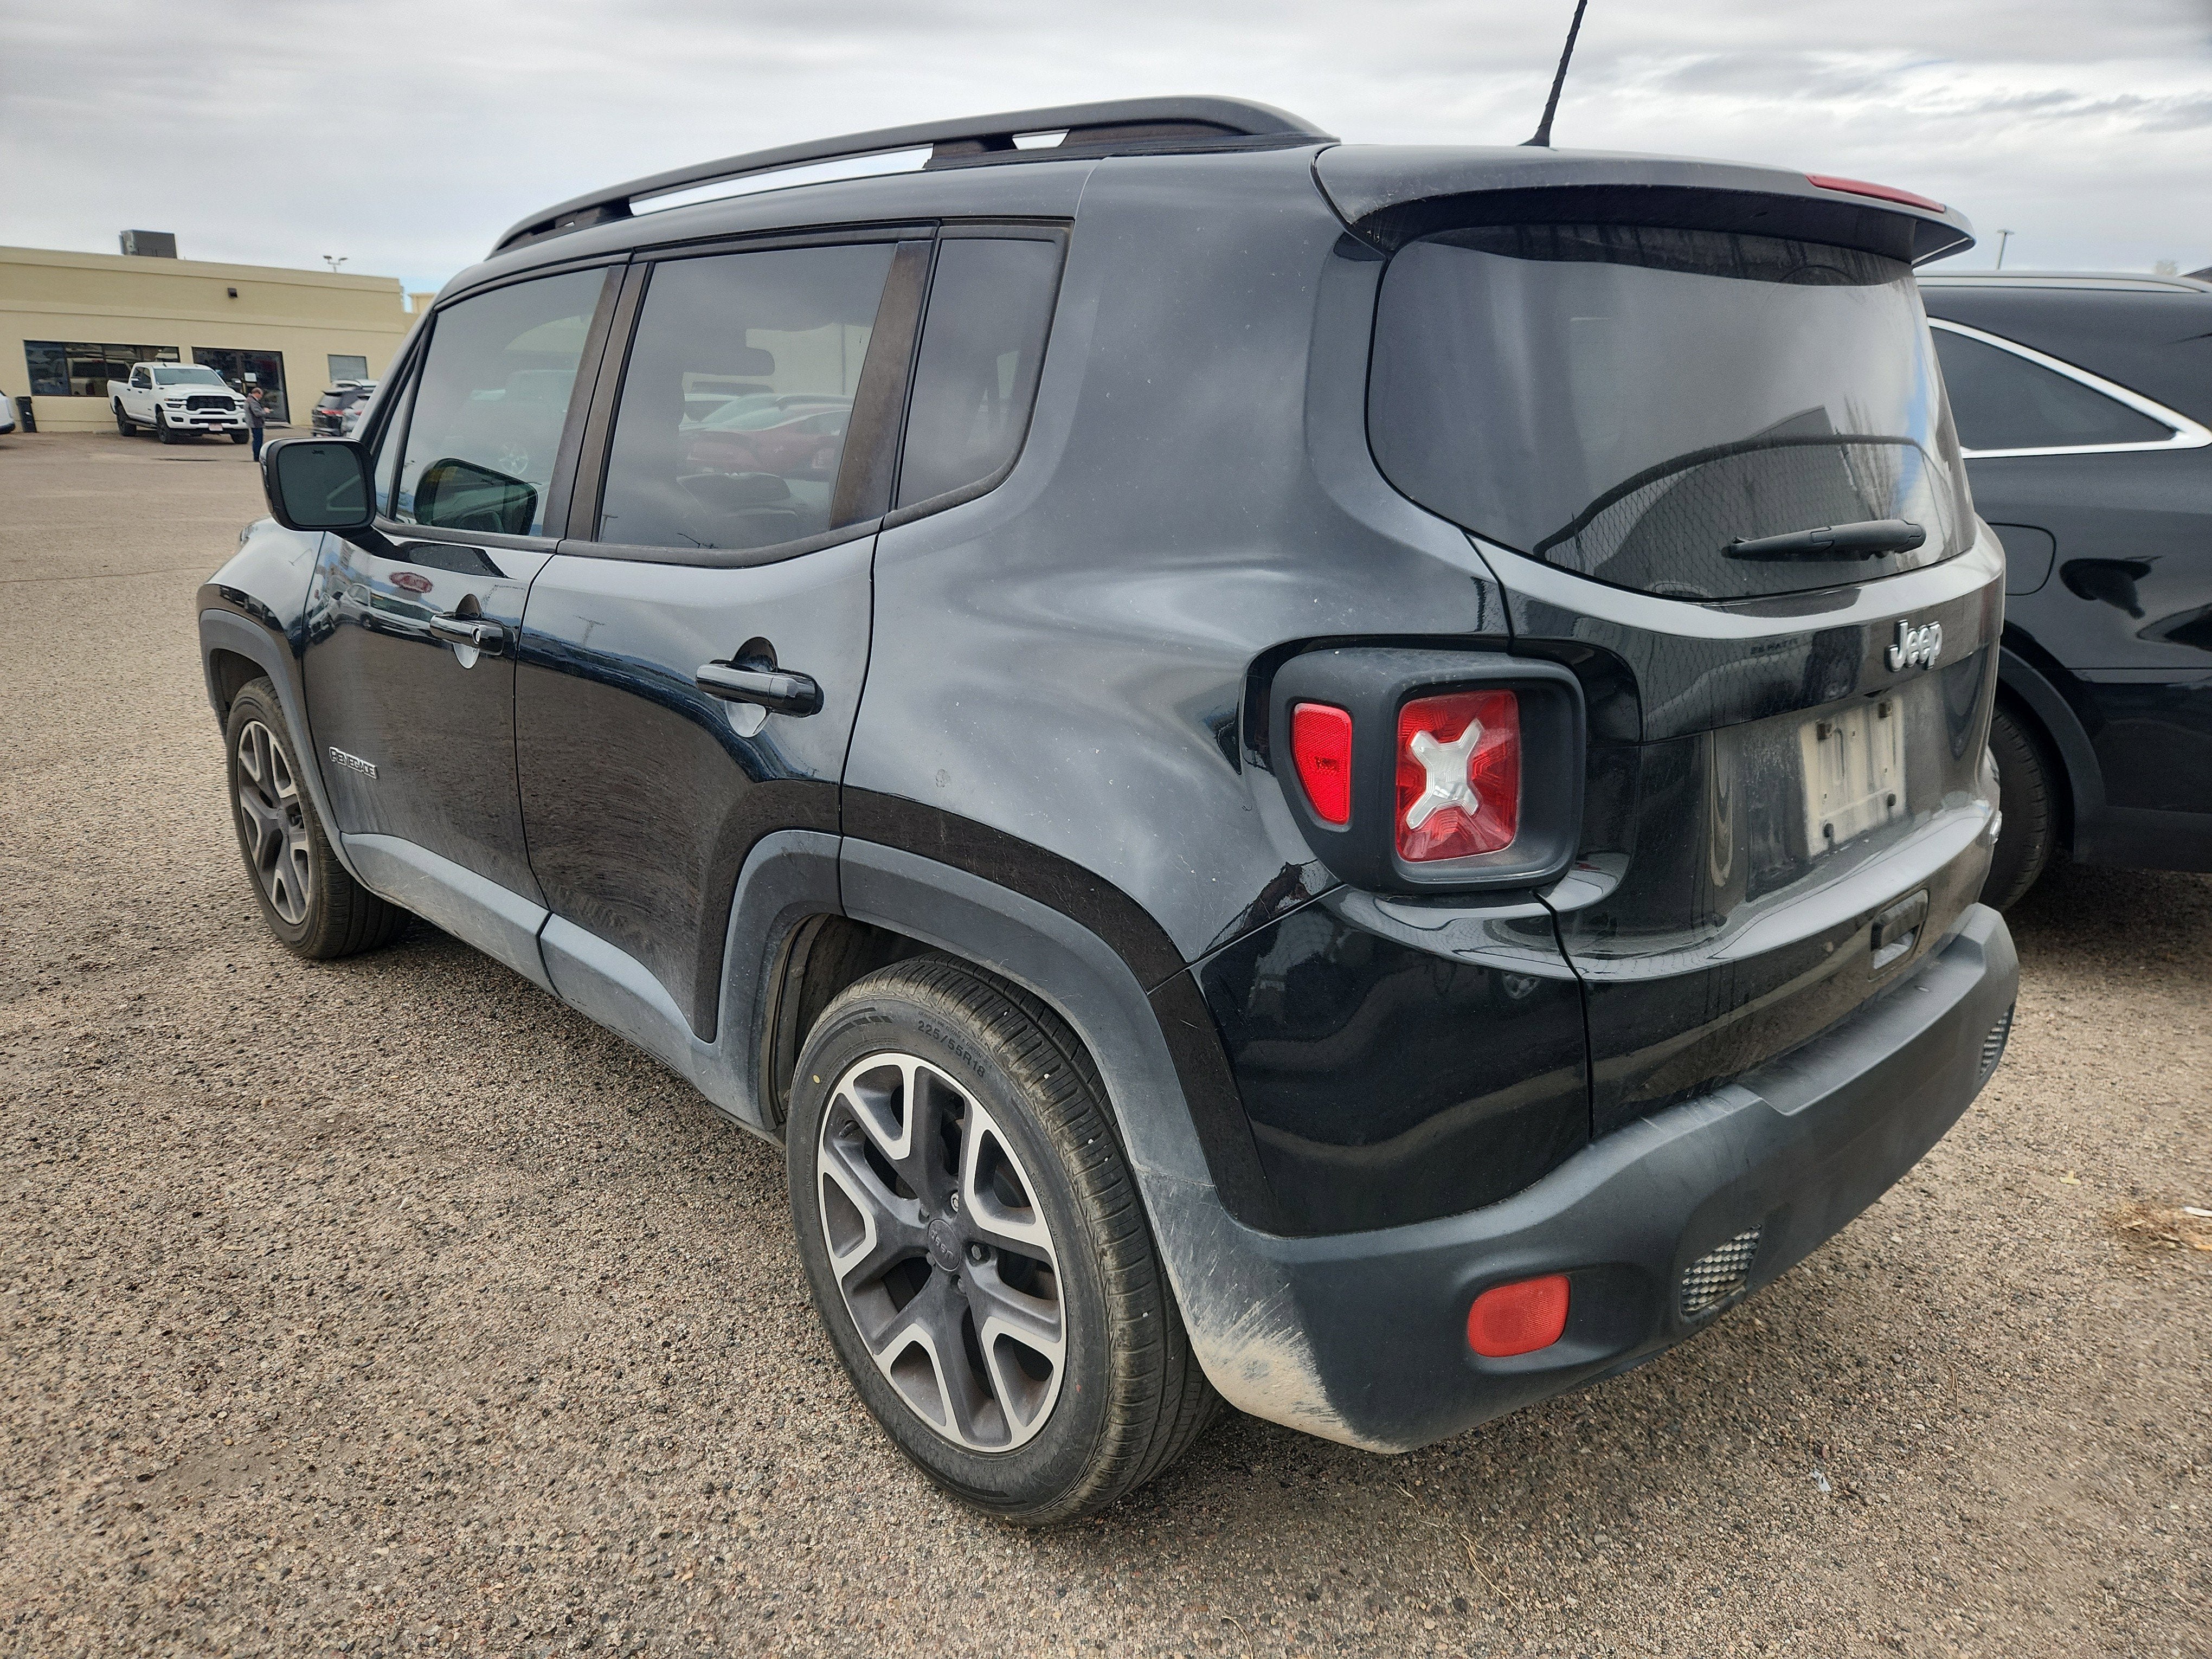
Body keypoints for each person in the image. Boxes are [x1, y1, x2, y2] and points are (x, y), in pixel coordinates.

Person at [246, 385, 267, 460]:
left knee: (256, 439)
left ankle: (256, 456)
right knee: (258, 440)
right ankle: (257, 457)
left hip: (253, 423)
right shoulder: (253, 401)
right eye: (261, 395)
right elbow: (257, 413)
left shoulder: (249, 400)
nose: (261, 397)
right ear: (257, 393)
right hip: (256, 423)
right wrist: (265, 412)